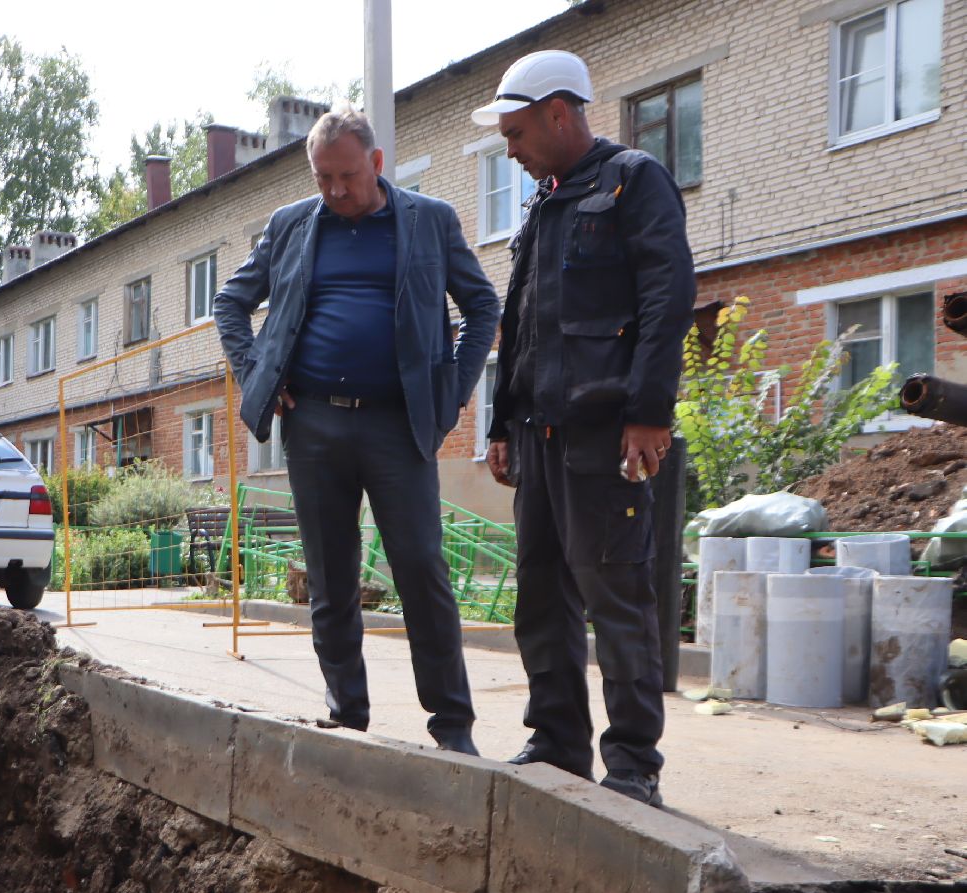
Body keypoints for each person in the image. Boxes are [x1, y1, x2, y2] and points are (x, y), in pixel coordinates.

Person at [214, 107, 500, 754]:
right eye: (323, 179)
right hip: (312, 424)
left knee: (422, 569)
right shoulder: (290, 225)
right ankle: (348, 717)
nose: (335, 191)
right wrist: (258, 368)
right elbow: (230, 301)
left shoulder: (430, 220)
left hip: (399, 427)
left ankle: (453, 730)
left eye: (346, 176)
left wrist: (452, 393)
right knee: (330, 576)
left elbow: (482, 304)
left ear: (374, 163)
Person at [472, 50, 696, 806]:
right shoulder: (544, 203)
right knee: (540, 596)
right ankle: (558, 743)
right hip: (539, 434)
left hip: (607, 433)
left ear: (559, 113)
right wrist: (501, 422)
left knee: (616, 593)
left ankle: (633, 764)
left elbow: (669, 300)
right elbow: (521, 325)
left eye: (516, 132)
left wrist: (648, 413)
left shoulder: (633, 181)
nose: (510, 149)